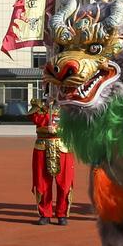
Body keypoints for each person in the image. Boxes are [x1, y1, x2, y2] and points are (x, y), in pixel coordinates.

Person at [30, 96, 74, 225]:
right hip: (43, 146)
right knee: (42, 182)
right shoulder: (39, 106)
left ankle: (62, 214)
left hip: (63, 146)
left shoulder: (68, 106)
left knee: (64, 183)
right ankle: (45, 214)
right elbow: (35, 119)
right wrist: (47, 110)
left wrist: (57, 128)